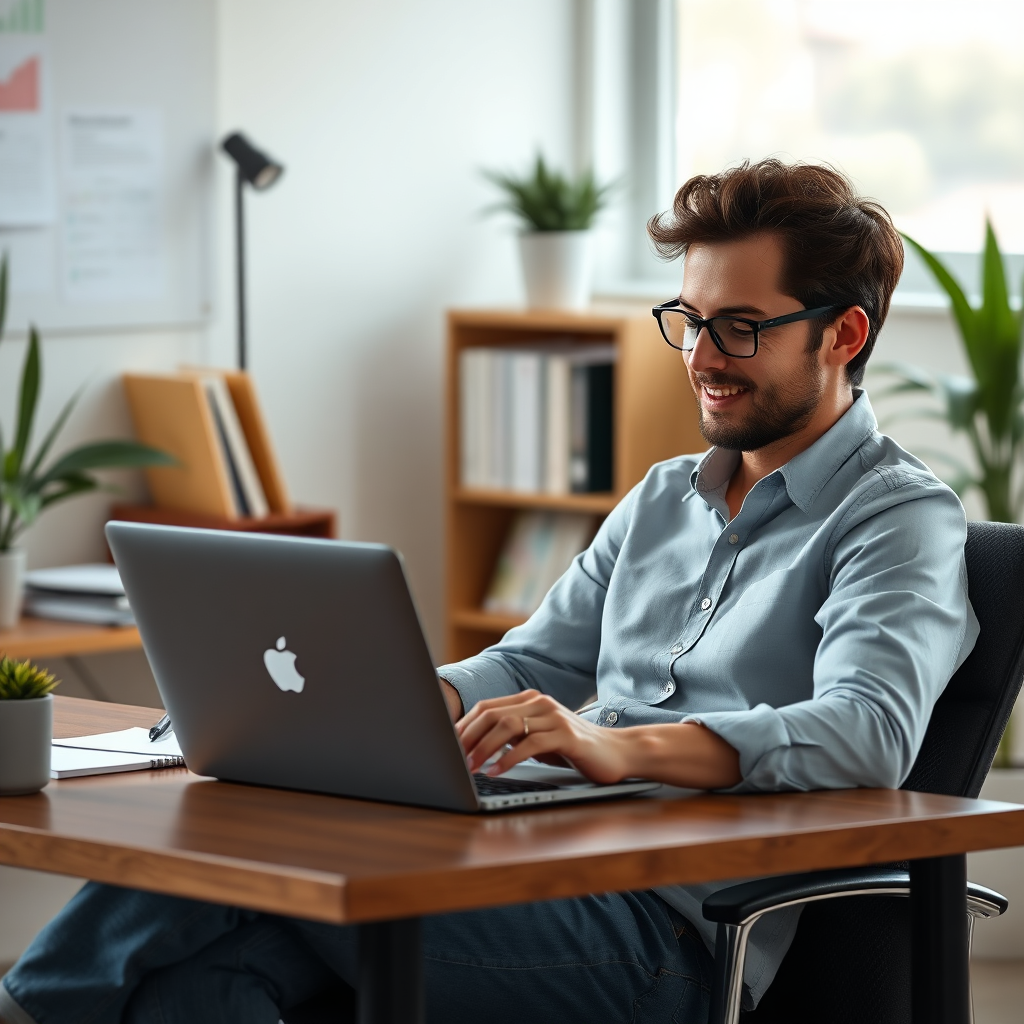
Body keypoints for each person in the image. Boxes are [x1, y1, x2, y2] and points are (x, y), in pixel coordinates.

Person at [0, 159, 977, 1024]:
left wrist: (610, 743)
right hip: (542, 858)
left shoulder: (895, 520)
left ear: (842, 333)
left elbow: (865, 731)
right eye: (686, 320)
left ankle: (25, 1002)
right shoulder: (663, 497)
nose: (700, 356)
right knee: (198, 982)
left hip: (665, 932)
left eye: (739, 327)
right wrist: (414, 699)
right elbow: (531, 659)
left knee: (252, 880)